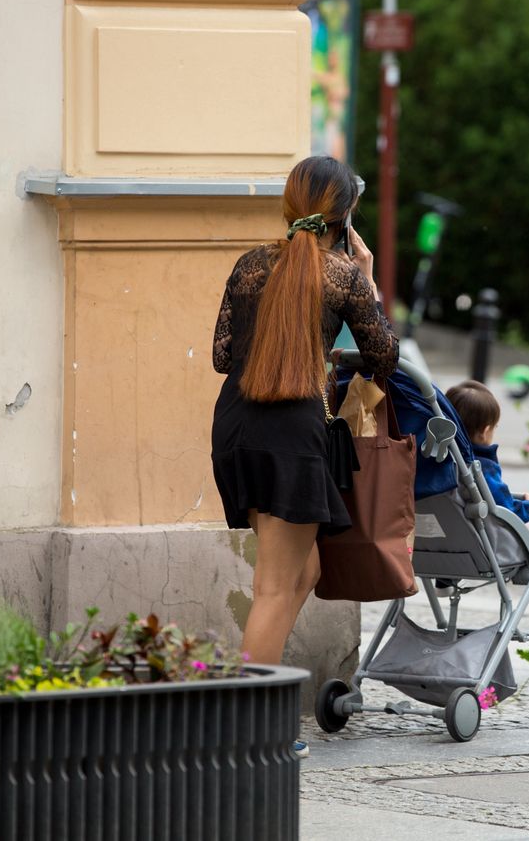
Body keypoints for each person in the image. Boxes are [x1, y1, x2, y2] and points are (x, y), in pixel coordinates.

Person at [210, 157, 398, 714]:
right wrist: (363, 274)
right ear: (346, 215)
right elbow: (383, 355)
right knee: (274, 583)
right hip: (290, 432)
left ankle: (262, 699)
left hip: (237, 426)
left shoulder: (250, 263)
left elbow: (223, 356)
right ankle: (249, 724)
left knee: (306, 569)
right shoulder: (341, 274)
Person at [444, 380, 529, 564]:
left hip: (443, 548)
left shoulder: (437, 462)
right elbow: (505, 510)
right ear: (485, 431)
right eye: (494, 428)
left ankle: (445, 580)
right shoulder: (480, 468)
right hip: (485, 551)